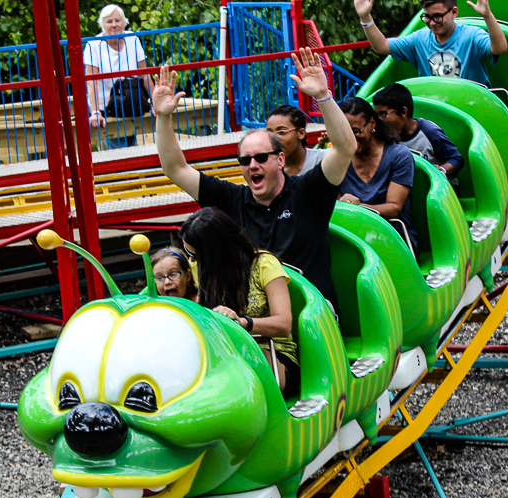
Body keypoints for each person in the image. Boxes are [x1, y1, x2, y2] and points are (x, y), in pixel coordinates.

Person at [153, 48, 357, 314]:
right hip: (255, 319)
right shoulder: (231, 199)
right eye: (245, 160)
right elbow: (175, 168)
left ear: (281, 160)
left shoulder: (308, 191)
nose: (252, 165)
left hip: (311, 315)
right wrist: (163, 117)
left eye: (261, 157)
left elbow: (344, 148)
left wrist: (323, 96)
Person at [178, 208, 300, 398]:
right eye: (188, 252)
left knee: (240, 366)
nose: (192, 259)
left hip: (273, 355)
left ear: (216, 251)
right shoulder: (199, 267)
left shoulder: (264, 264)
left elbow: (284, 325)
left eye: (196, 254)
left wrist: (242, 323)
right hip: (223, 354)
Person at [353, 0, 508, 88]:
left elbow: (500, 48)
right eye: (427, 17)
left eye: (438, 16)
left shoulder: (471, 34)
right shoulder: (420, 39)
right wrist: (365, 17)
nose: (432, 23)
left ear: (454, 12)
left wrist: (487, 16)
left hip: (473, 101)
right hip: (437, 104)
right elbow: (382, 47)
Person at [338, 97, 419, 258]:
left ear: (372, 124)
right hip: (353, 236)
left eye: (355, 131)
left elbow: (394, 208)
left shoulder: (398, 155)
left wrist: (358, 208)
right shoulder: (338, 159)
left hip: (392, 233)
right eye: (343, 132)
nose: (349, 139)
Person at [83, 4, 155, 149]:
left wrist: (155, 101)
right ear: (102, 24)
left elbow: (144, 74)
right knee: (120, 149)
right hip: (107, 106)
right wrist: (95, 111)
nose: (114, 25)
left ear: (124, 22)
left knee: (131, 145)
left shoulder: (132, 39)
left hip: (132, 102)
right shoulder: (93, 45)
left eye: (117, 20)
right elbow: (91, 81)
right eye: (109, 22)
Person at [373, 83, 464, 185]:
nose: (379, 120)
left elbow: (456, 159)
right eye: (376, 115)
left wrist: (442, 170)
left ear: (403, 112)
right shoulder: (385, 135)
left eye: (383, 114)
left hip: (441, 189)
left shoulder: (429, 131)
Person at [266, 105, 327, 176]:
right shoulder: (268, 169)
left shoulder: (322, 160)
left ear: (301, 133)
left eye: (282, 132)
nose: (274, 139)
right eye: (270, 134)